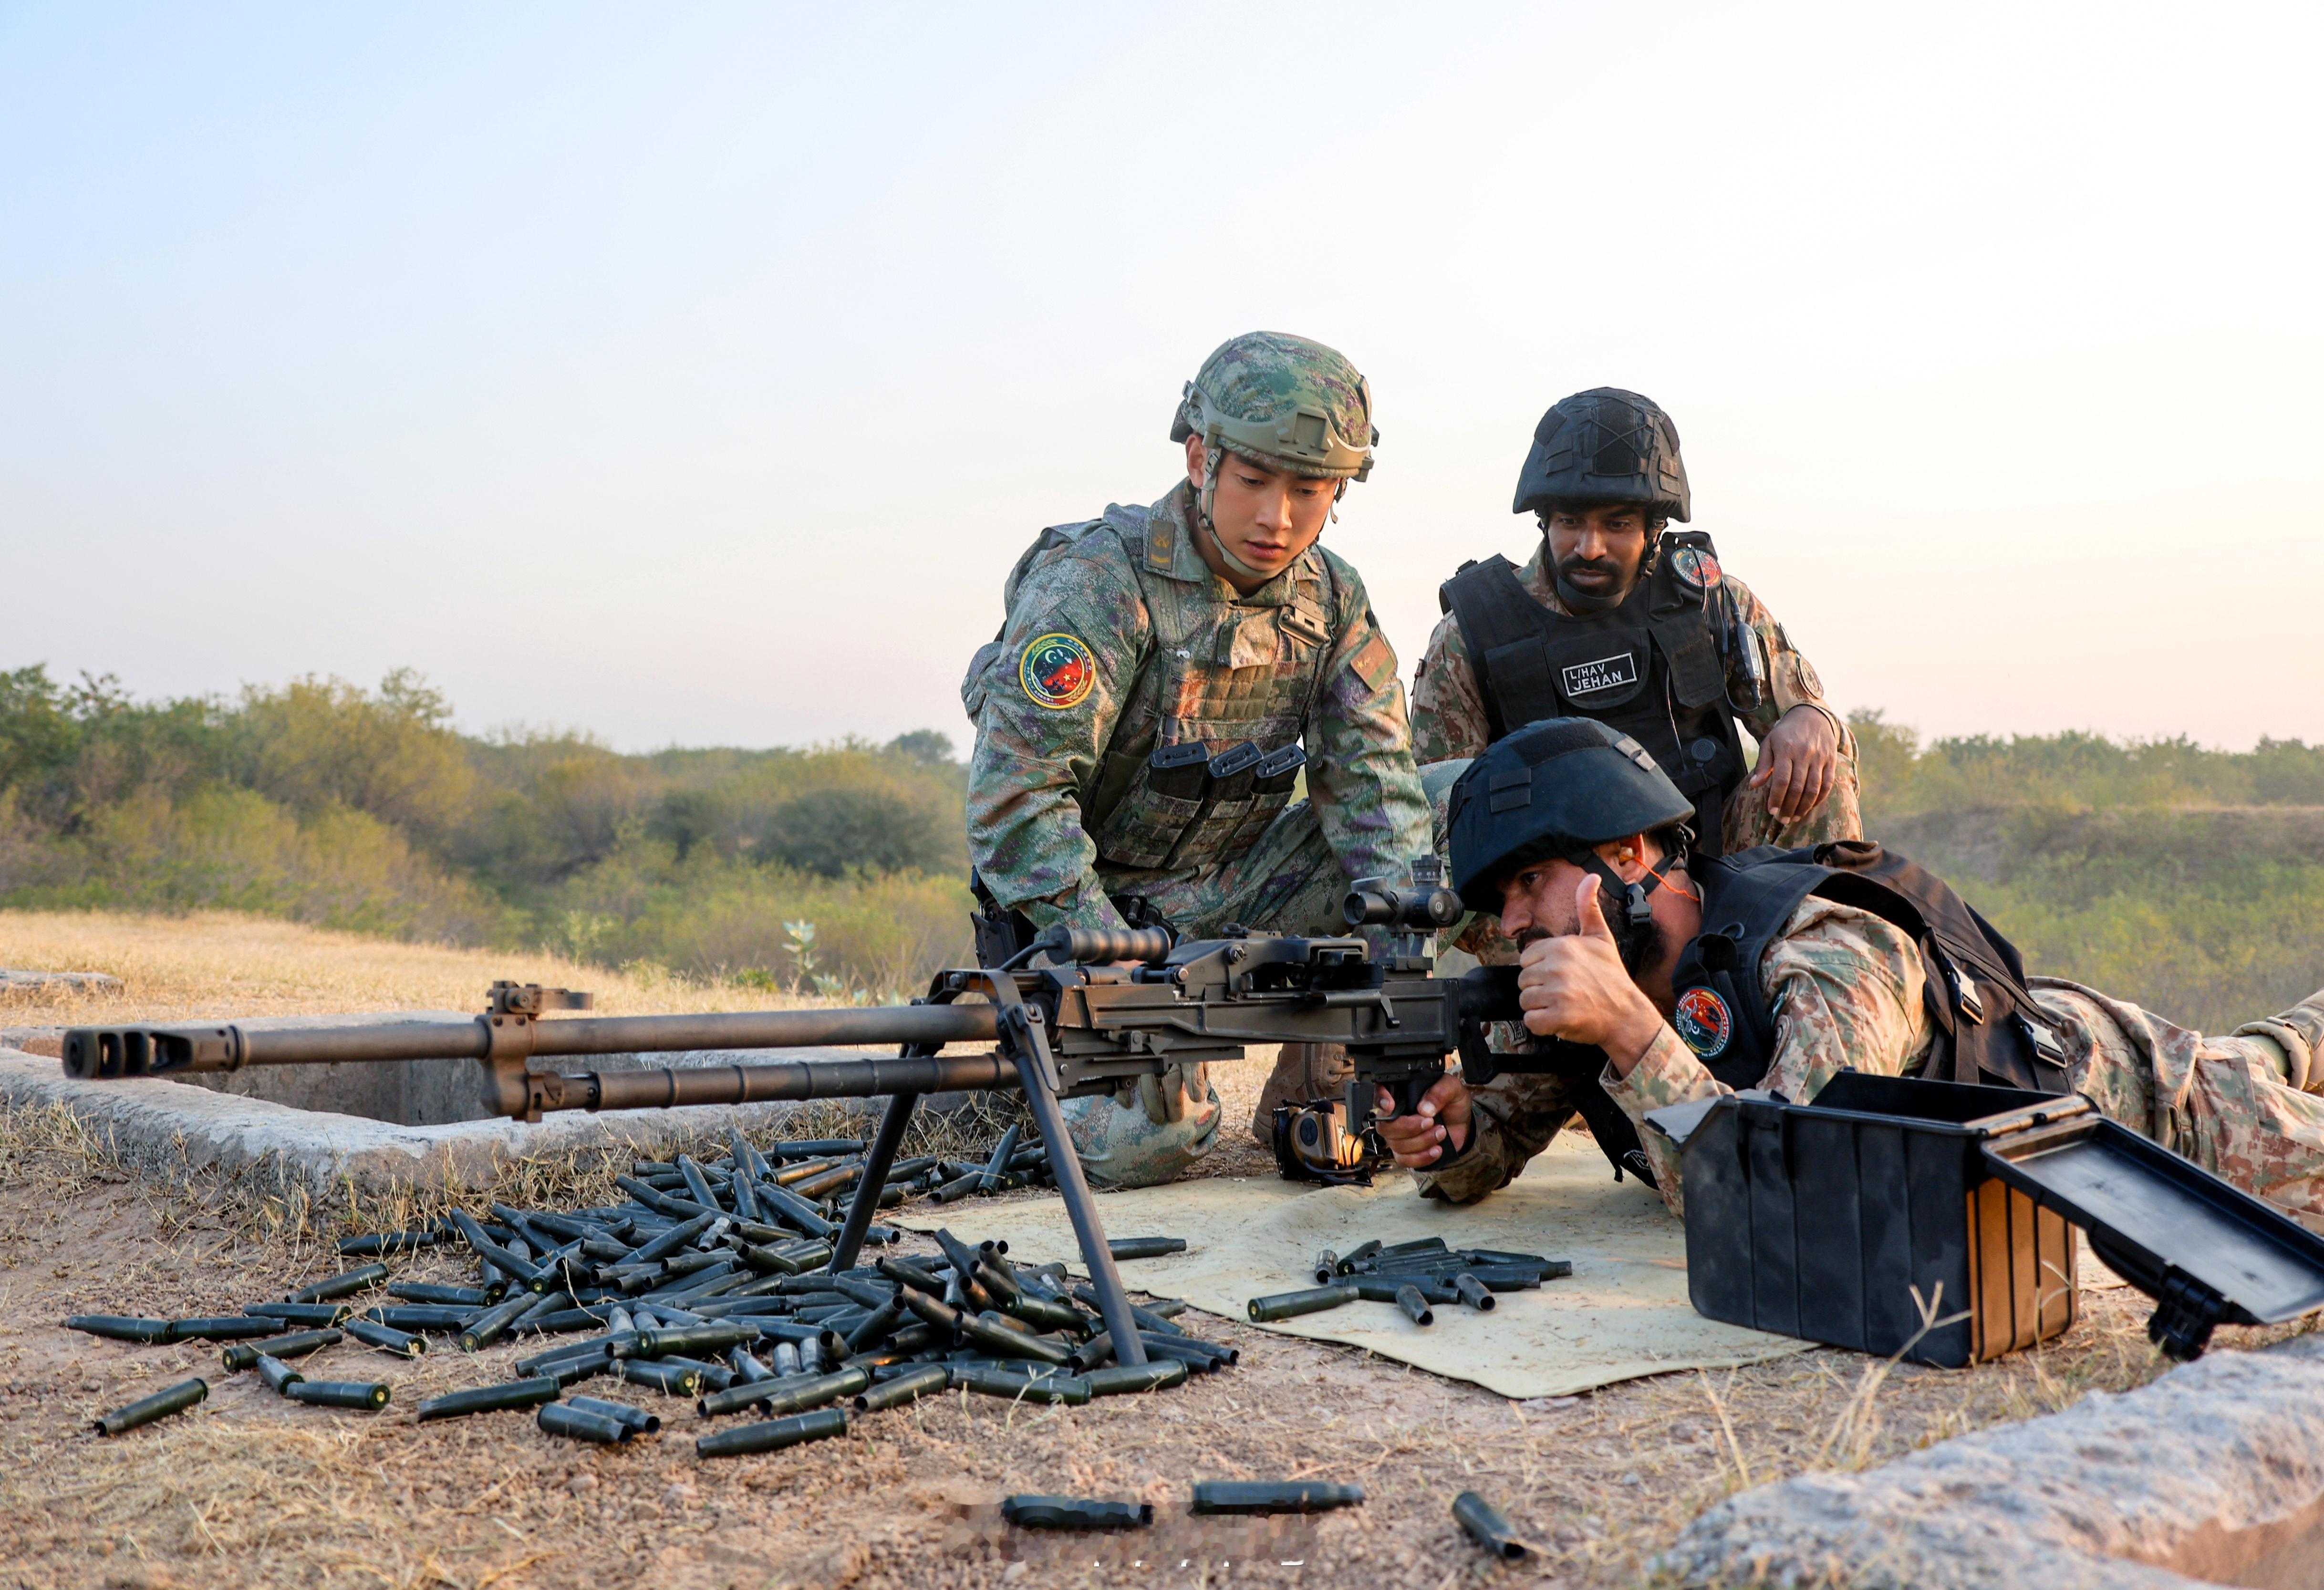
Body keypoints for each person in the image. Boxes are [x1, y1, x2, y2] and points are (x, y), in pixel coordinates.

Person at [1382, 718, 2324, 1224]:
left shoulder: (1825, 954)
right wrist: (1453, 1135)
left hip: (2154, 1107)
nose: (1508, 922)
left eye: (1528, 882)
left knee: (2249, 1073)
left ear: (1629, 853)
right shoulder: (1600, 972)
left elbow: (1792, 1195)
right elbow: (1487, 1151)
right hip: (2103, 1085)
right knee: (2278, 1047)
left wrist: (1631, 1031)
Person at [961, 331, 1433, 1187]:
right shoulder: (1101, 580)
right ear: (1199, 457)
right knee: (1158, 1141)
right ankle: (1038, 1078)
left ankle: (1333, 1077)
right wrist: (1111, 949)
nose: (1277, 517)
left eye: (1310, 490)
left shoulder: (1334, 597)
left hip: (1233, 886)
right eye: (1254, 481)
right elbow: (1016, 801)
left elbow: (1378, 787)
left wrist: (1402, 966)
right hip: (1088, 921)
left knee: (1463, 812)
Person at [1411, 387, 1859, 857]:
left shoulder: (1709, 600)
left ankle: (1823, 929)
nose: (1590, 547)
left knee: (1821, 771)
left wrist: (1810, 719)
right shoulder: (1471, 635)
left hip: (1714, 869)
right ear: (1544, 521)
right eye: (1570, 521)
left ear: (1653, 530)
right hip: (1552, 888)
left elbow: (1805, 721)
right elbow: (1435, 812)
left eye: (1617, 524)